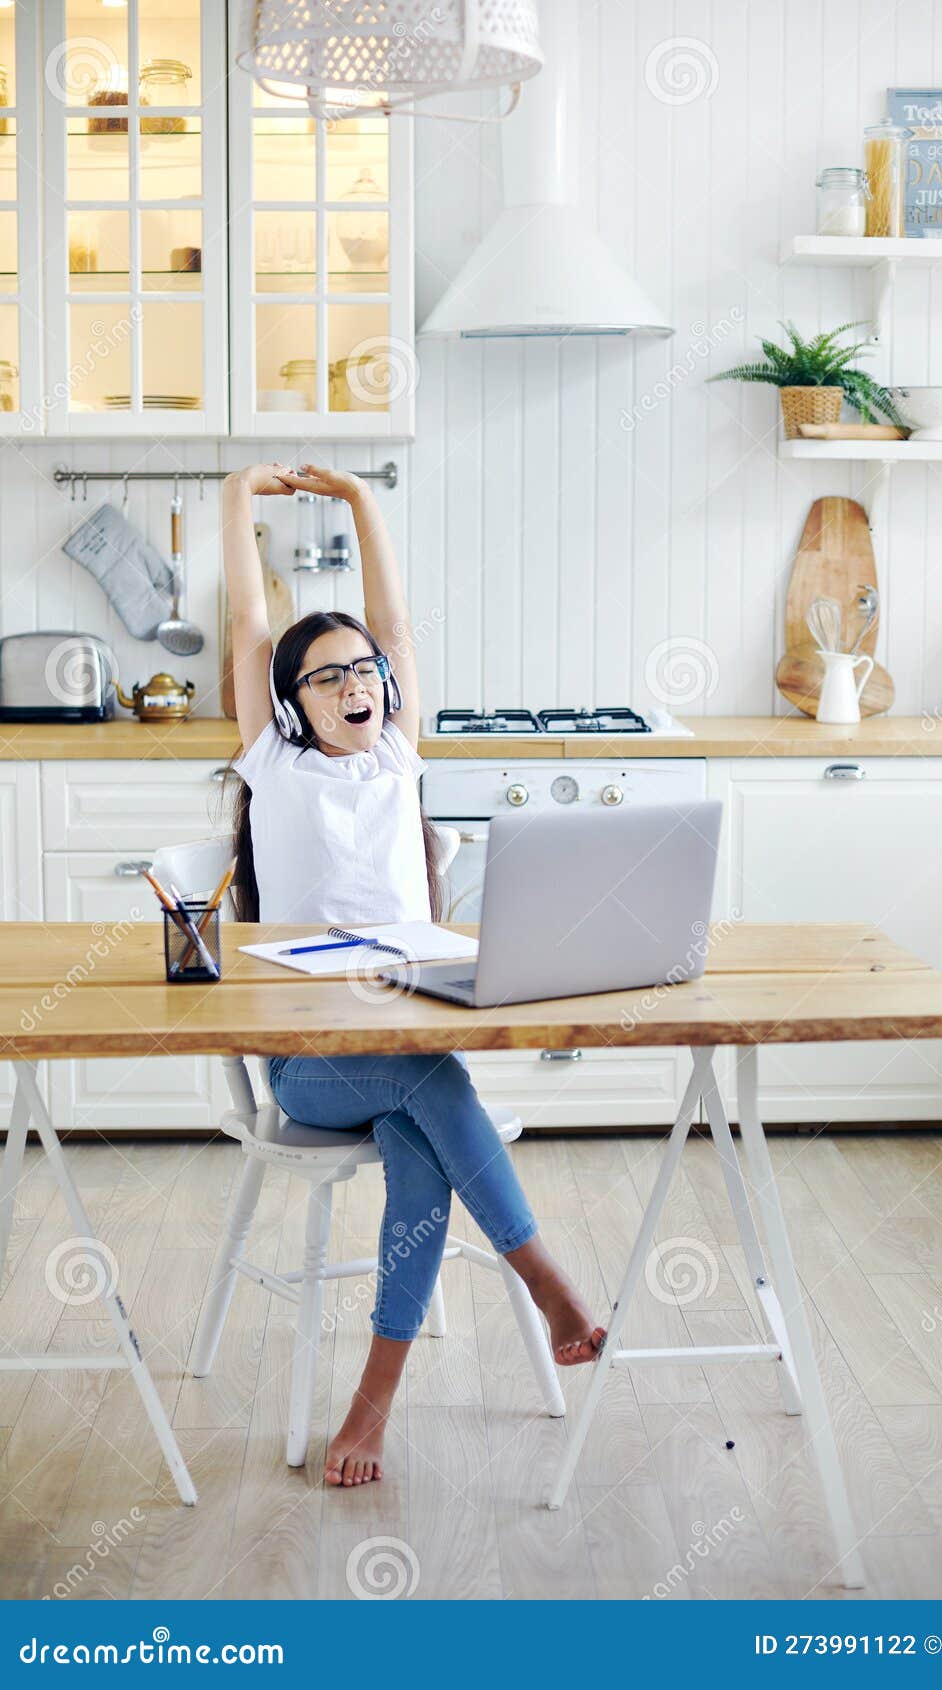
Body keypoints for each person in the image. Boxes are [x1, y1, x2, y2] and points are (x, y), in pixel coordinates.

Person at [222, 462, 607, 1489]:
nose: (356, 685)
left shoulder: (398, 755)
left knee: (421, 1138)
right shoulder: (274, 759)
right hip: (307, 1066)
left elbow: (395, 623)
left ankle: (371, 1404)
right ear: (287, 703)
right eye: (328, 676)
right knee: (434, 1085)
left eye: (365, 672)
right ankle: (545, 1279)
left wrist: (360, 499)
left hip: (402, 1038)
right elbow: (249, 621)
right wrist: (236, 496)